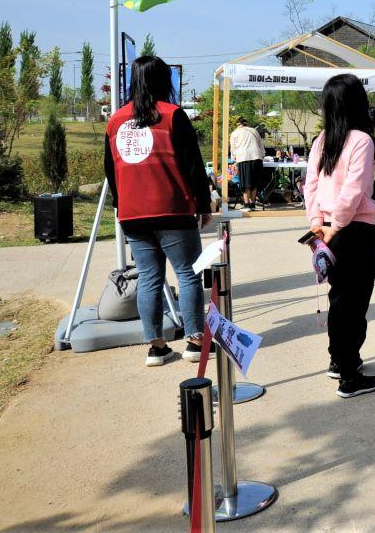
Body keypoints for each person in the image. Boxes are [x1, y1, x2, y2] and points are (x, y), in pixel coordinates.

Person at [104, 56, 212, 367]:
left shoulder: (115, 121)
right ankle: (195, 341)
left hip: (132, 214)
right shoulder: (173, 115)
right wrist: (203, 204)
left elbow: (110, 170)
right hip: (172, 210)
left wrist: (120, 204)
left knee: (150, 279)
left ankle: (156, 346)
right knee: (188, 275)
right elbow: (193, 165)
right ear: (165, 81)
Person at [304, 74, 375, 399]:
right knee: (355, 302)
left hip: (326, 231)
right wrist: (337, 225)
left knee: (339, 300)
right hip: (355, 231)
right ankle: (349, 375)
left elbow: (309, 185)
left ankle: (339, 360)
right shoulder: (362, 140)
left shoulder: (322, 140)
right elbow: (353, 191)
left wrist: (317, 225)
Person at [230, 117, 264, 209]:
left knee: (245, 182)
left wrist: (234, 161)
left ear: (238, 124)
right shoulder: (254, 131)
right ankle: (253, 203)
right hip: (257, 157)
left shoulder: (235, 133)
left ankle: (246, 204)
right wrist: (262, 156)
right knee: (254, 182)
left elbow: (233, 149)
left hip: (243, 157)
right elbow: (261, 145)